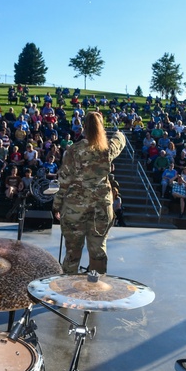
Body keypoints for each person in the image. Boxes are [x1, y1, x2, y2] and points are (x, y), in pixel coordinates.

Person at [52, 111, 126, 274]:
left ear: (83, 127)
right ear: (101, 128)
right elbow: (120, 140)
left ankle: (67, 289)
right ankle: (97, 288)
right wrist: (118, 132)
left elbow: (64, 181)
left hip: (74, 209)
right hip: (100, 207)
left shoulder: (73, 150)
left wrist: (56, 205)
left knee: (72, 252)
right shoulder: (107, 149)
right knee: (98, 250)